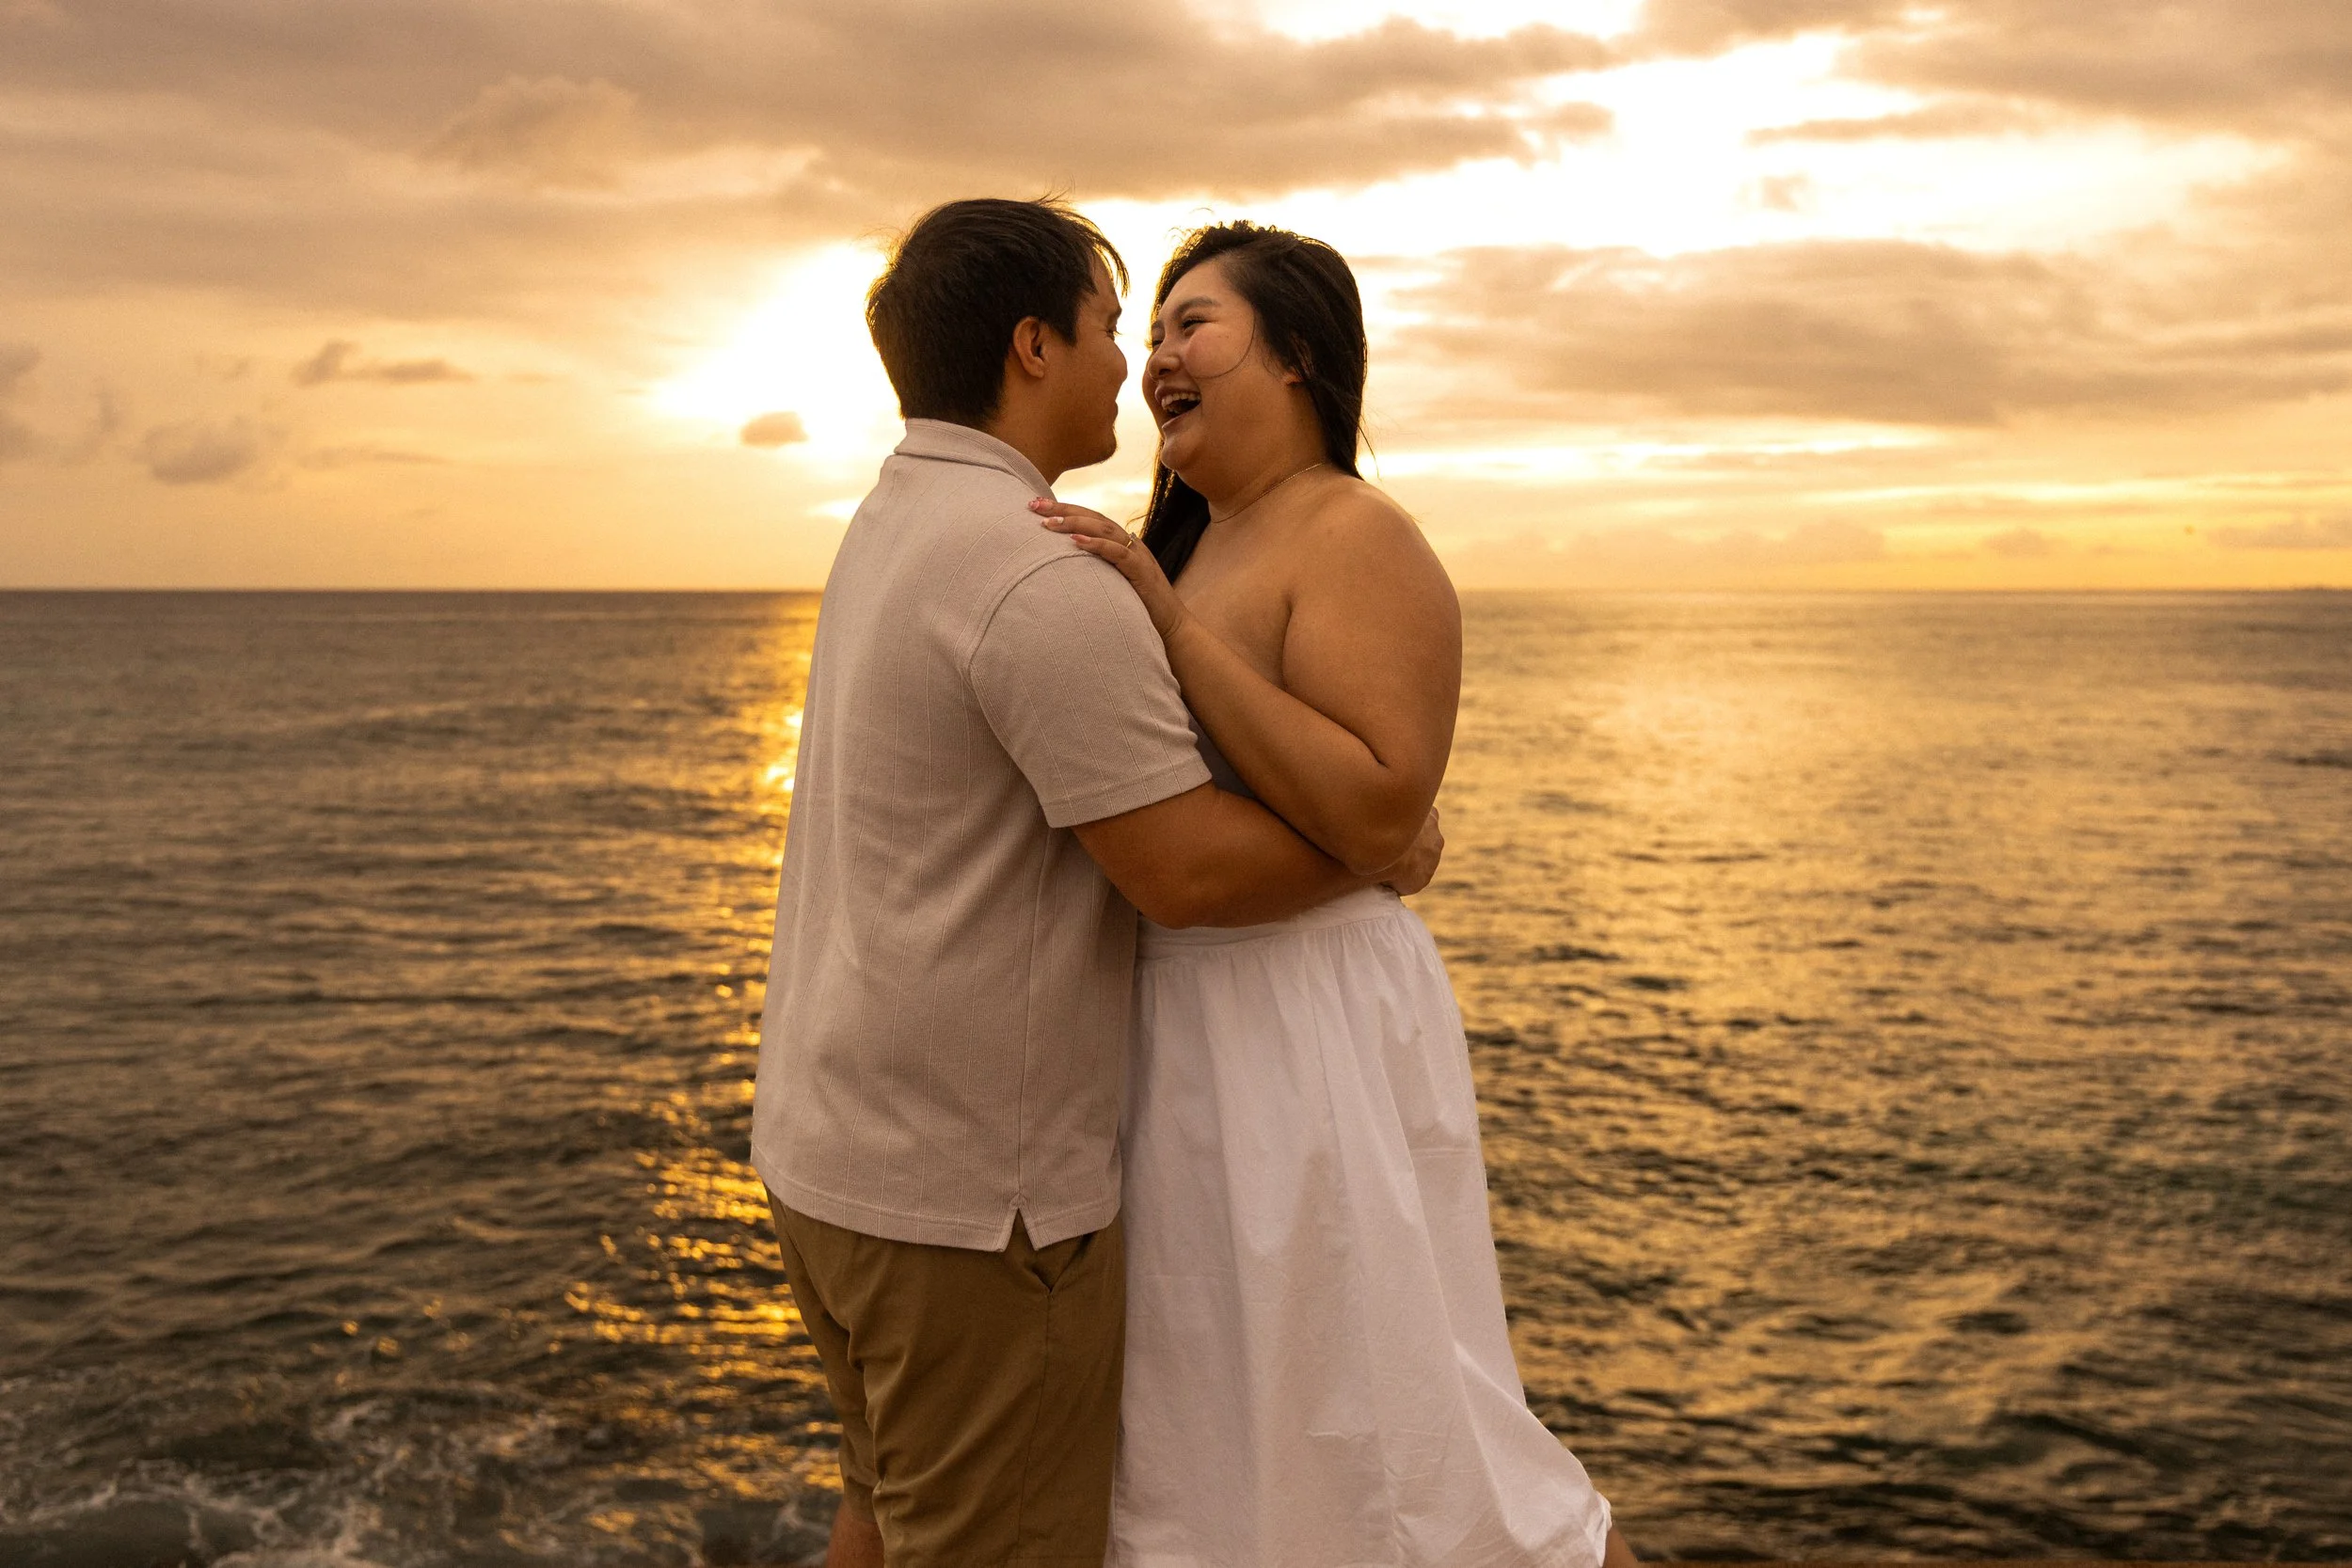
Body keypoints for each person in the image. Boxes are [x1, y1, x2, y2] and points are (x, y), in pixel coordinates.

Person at [748, 198, 1442, 1568]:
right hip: (964, 1201)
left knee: (880, 1512)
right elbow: (1180, 868)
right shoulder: (1038, 566)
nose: (1135, 361)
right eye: (1120, 327)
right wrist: (1380, 842)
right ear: (1032, 345)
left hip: (828, 1152)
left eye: (1181, 327)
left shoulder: (893, 517)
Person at [1034, 221, 1641, 1568]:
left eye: (1193, 324)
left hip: (1303, 1027)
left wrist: (1165, 622)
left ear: (1298, 354)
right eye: (1150, 333)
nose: (1158, 357)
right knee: (1215, 1438)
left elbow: (1377, 804)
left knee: (1394, 1420)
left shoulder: (1354, 533)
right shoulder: (1188, 545)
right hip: (1175, 1034)